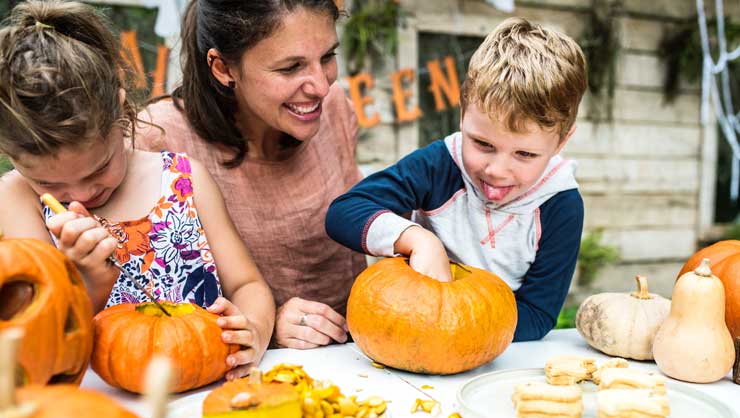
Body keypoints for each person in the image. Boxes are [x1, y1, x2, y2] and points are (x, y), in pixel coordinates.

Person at [0, 0, 274, 379]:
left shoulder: (182, 180)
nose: (79, 195)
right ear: (9, 155)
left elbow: (247, 284)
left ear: (122, 113)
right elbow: (38, 343)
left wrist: (254, 331)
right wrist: (87, 280)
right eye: (49, 184)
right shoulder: (16, 201)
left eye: (99, 167)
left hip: (205, 387)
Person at [326, 17, 587, 342]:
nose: (497, 170)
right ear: (463, 113)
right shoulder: (440, 165)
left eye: (525, 155)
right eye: (483, 144)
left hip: (490, 354)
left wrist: (454, 328)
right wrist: (419, 239)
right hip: (409, 331)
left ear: (561, 142)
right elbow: (345, 211)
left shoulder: (561, 204)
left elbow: (537, 314)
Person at [137, 0, 366, 349]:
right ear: (223, 68)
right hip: (239, 375)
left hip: (360, 359)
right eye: (291, 68)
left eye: (327, 57)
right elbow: (142, 313)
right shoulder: (158, 141)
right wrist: (264, 326)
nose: (321, 86)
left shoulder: (335, 108)